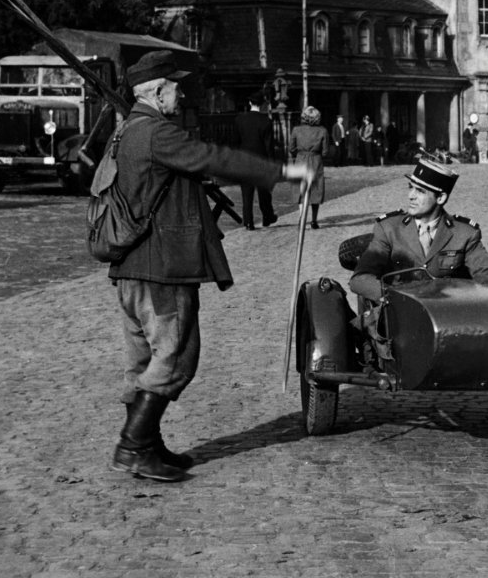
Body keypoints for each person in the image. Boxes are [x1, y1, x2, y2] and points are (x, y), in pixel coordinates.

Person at [108, 51, 311, 482]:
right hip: (163, 268)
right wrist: (284, 171)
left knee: (143, 361)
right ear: (157, 91)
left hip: (130, 268)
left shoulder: (125, 132)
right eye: (175, 86)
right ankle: (133, 446)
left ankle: (149, 443)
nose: (181, 93)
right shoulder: (158, 134)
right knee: (176, 357)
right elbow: (215, 158)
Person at [350, 157, 488, 304]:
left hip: (445, 317)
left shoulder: (464, 234)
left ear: (441, 198)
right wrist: (391, 296)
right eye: (410, 188)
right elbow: (360, 278)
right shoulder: (389, 229)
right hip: (396, 318)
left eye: (420, 191)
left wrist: (466, 294)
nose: (411, 196)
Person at [231, 95, 277, 231]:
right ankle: (267, 217)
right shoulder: (266, 121)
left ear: (250, 102)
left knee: (246, 193)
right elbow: (269, 146)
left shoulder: (239, 120)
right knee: (264, 192)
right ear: (262, 104)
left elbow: (235, 143)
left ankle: (249, 222)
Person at [289, 105, 327, 229]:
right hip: (316, 160)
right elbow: (325, 152)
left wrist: (299, 153)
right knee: (315, 190)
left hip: (300, 160)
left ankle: (302, 217)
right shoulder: (322, 131)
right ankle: (314, 220)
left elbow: (291, 148)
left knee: (301, 190)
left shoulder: (296, 130)